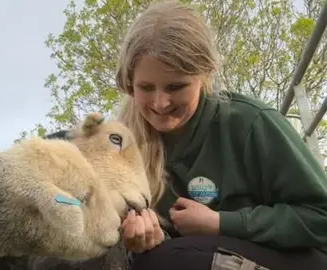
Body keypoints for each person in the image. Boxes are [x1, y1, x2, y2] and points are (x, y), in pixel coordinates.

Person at [46, 0, 327, 269]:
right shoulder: (123, 144)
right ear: (129, 83)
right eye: (146, 87)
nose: (160, 103)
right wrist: (146, 238)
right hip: (196, 255)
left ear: (204, 76)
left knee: (168, 261)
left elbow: (320, 216)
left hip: (295, 259)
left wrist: (220, 222)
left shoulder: (251, 122)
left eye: (175, 87)